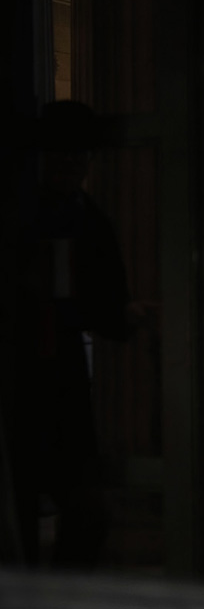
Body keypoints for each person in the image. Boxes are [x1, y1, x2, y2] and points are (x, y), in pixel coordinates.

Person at [4, 101, 141, 570]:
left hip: (59, 380)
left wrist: (127, 318)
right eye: (62, 155)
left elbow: (109, 307)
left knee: (84, 509)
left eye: (78, 156)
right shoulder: (26, 215)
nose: (71, 165)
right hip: (24, 380)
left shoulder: (88, 220)